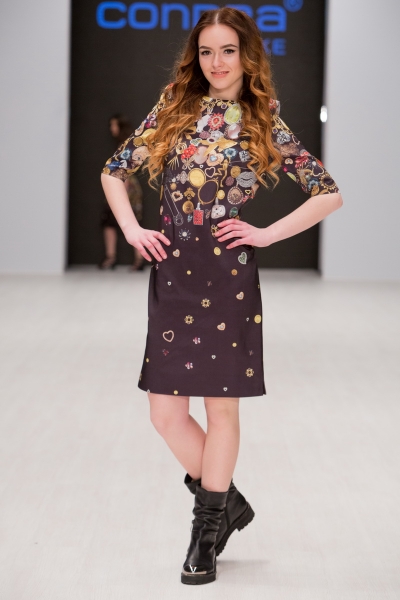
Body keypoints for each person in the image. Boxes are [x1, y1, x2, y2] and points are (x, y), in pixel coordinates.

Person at [101, 7, 342, 585]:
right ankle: (227, 501)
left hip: (228, 278)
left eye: (227, 50)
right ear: (196, 56)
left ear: (246, 54)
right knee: (164, 413)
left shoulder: (262, 119)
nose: (216, 62)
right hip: (173, 274)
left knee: (221, 407)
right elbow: (114, 170)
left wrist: (266, 233)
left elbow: (327, 192)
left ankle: (206, 532)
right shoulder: (174, 107)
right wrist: (132, 229)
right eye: (207, 51)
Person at [99, 114, 144, 270]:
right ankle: (137, 259)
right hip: (127, 187)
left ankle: (112, 257)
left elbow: (121, 172)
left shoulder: (125, 145)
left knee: (116, 222)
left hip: (124, 186)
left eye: (114, 125)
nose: (111, 128)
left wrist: (119, 192)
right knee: (130, 222)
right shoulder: (128, 143)